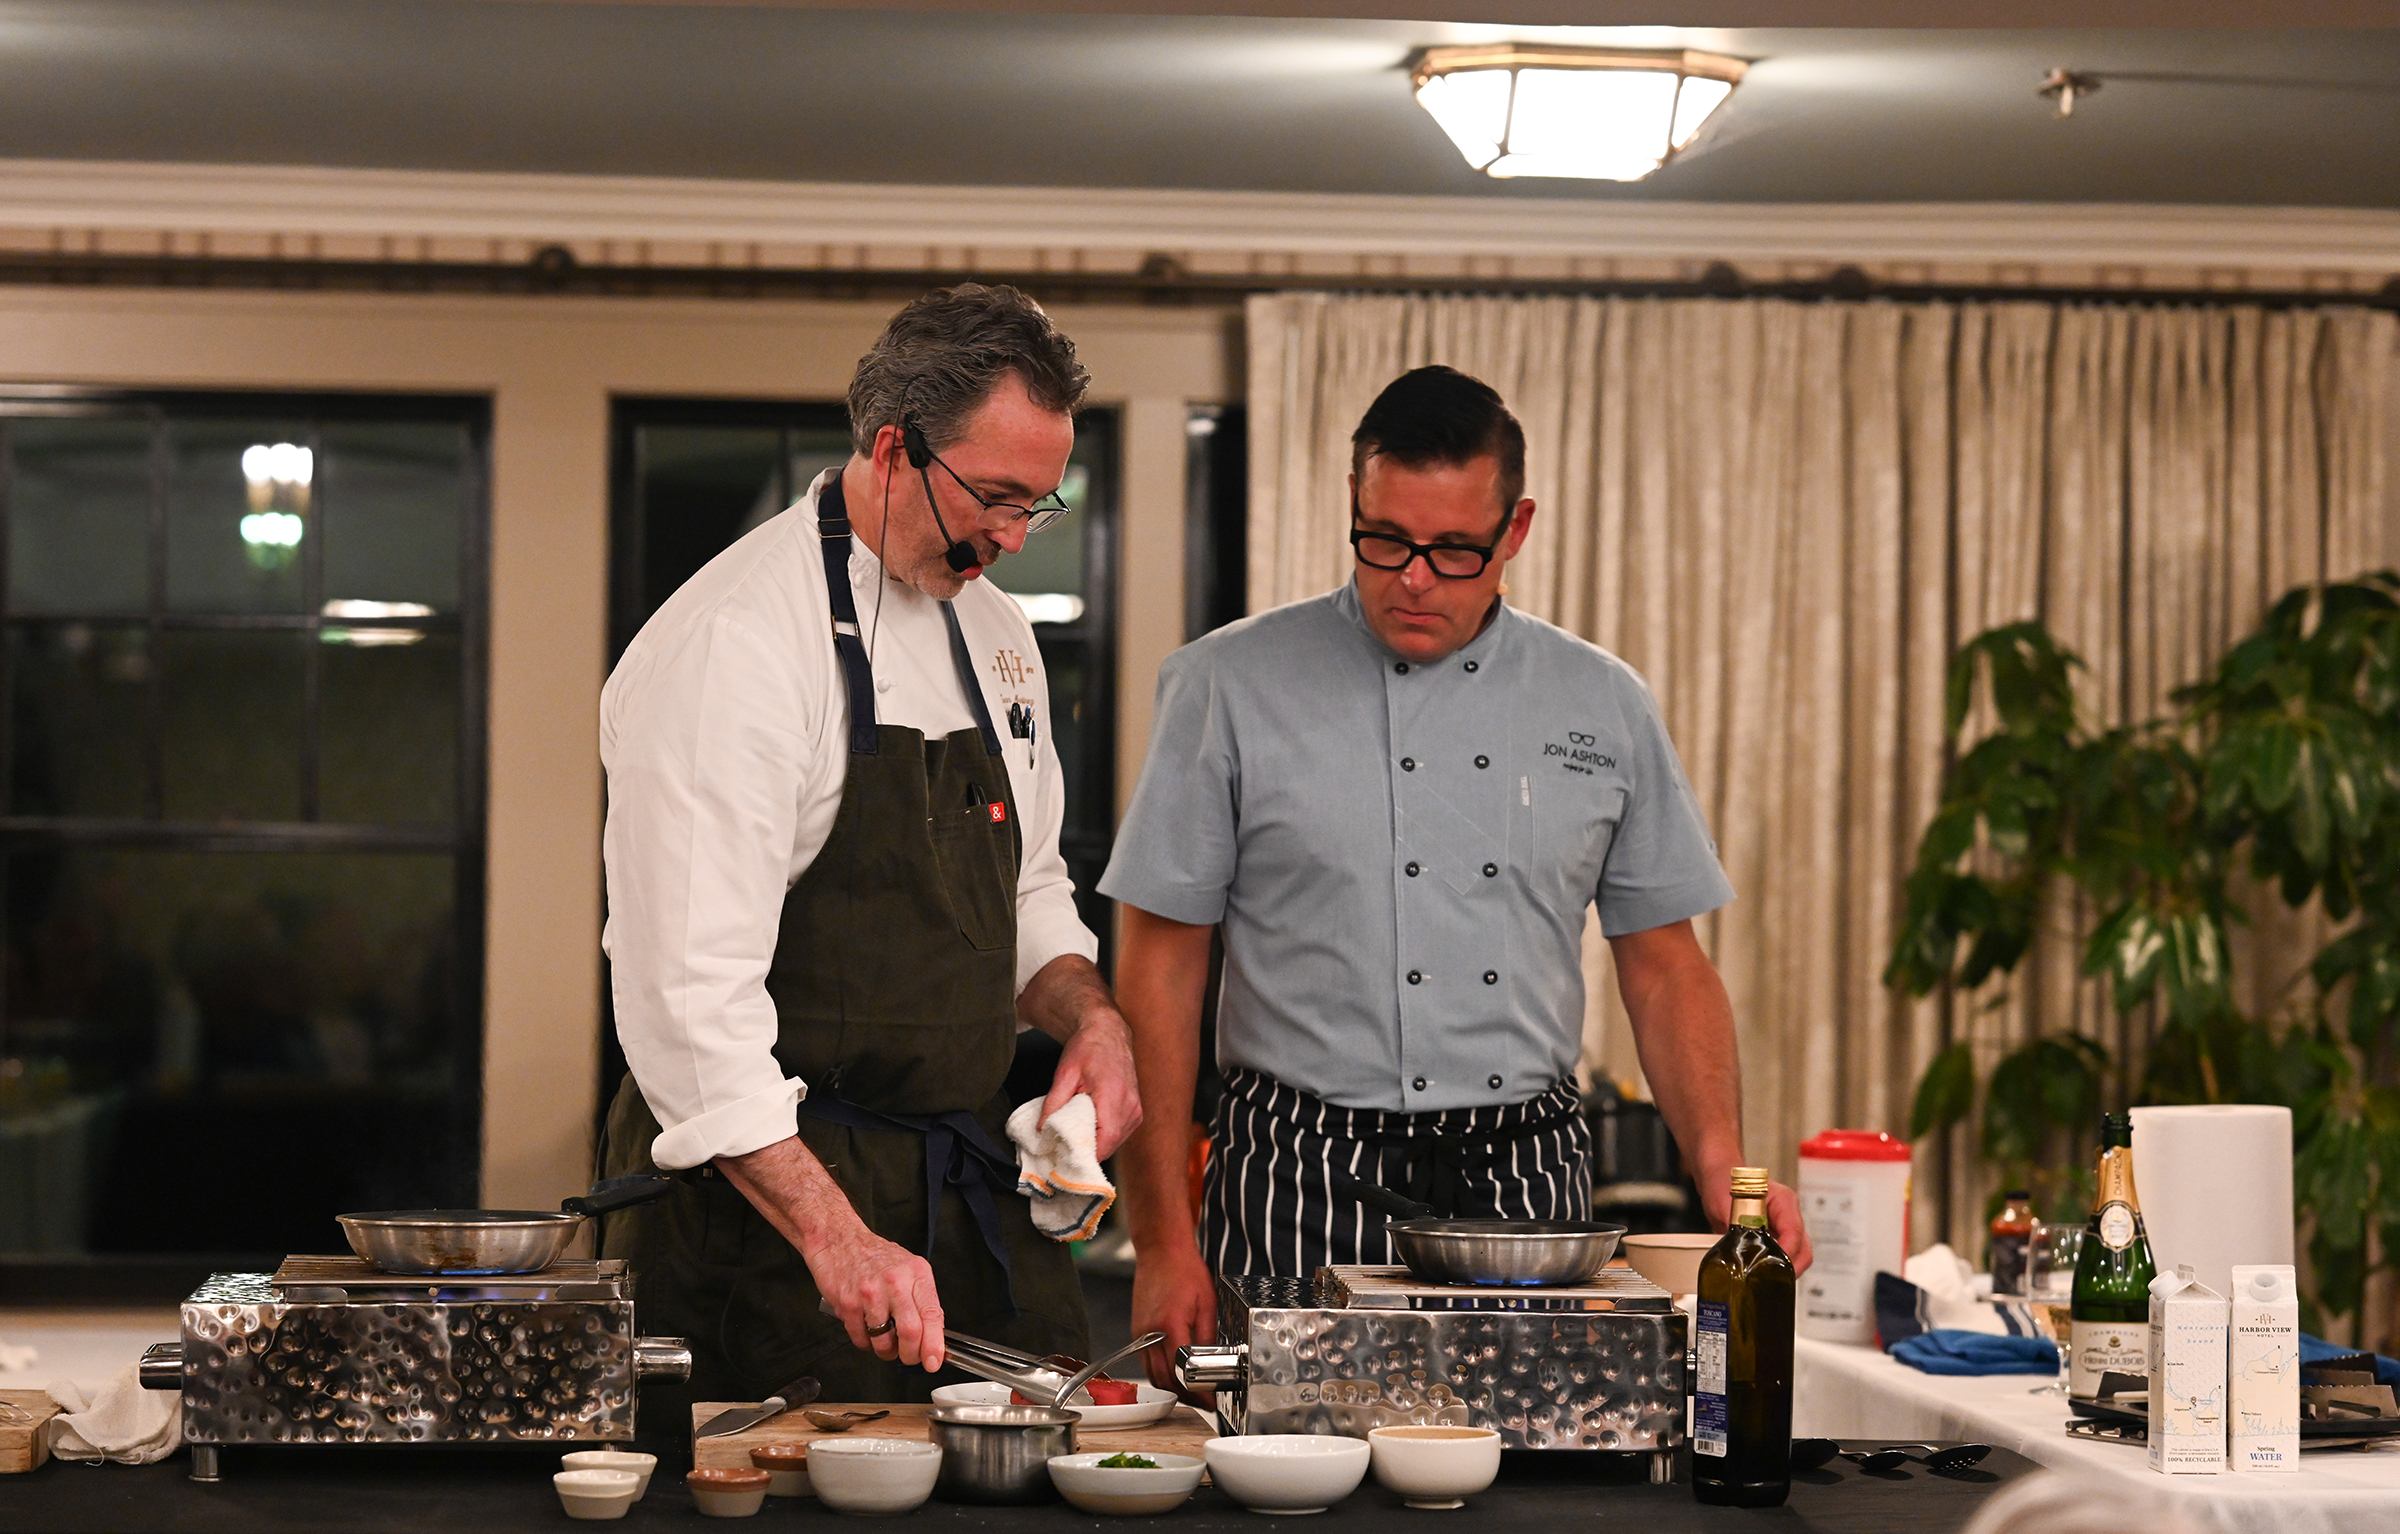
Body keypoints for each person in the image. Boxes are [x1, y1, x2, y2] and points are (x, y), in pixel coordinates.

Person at [1101, 365, 1810, 1389]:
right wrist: (1164, 1238)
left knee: (1535, 1481)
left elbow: (1663, 966)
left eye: (1453, 550)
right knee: (1291, 1477)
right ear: (1353, 502)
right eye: (1384, 539)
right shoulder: (1225, 685)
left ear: (1515, 530)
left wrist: (1723, 1177)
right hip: (1301, 1163)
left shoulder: (1602, 701)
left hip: (1525, 1171)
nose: (1414, 578)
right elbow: (1160, 971)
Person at [596, 285, 1141, 1404]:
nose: (1009, 536)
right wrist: (835, 1236)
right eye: (992, 497)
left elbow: (1030, 889)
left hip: (960, 1191)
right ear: (891, 448)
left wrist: (1093, 1015)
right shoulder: (735, 646)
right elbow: (690, 1009)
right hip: (766, 1210)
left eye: (1038, 505)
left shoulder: (1000, 640)